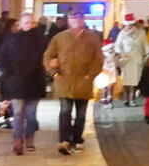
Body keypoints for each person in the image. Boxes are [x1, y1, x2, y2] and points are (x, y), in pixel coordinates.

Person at [43, 11, 104, 155]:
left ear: (83, 20)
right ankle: (64, 140)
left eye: (78, 18)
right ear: (68, 21)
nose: (76, 20)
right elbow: (48, 57)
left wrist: (90, 74)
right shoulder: (59, 38)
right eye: (72, 18)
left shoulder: (92, 38)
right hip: (64, 81)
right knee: (65, 111)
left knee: (81, 113)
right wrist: (54, 72)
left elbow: (98, 59)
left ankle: (77, 139)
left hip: (83, 81)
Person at [0, 14, 51, 155]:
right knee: (18, 112)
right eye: (26, 22)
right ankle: (18, 139)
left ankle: (29, 138)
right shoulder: (11, 39)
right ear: (20, 24)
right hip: (16, 82)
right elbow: (1, 57)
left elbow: (46, 58)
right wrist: (9, 73)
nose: (29, 25)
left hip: (34, 82)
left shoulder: (41, 40)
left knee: (31, 114)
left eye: (31, 22)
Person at [113, 19, 149, 107]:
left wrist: (148, 55)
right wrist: (119, 53)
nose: (129, 26)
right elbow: (117, 45)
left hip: (137, 59)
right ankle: (127, 98)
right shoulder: (122, 34)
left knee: (135, 80)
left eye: (130, 25)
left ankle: (133, 98)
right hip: (126, 60)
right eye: (127, 25)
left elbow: (146, 44)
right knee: (126, 80)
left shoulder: (141, 33)